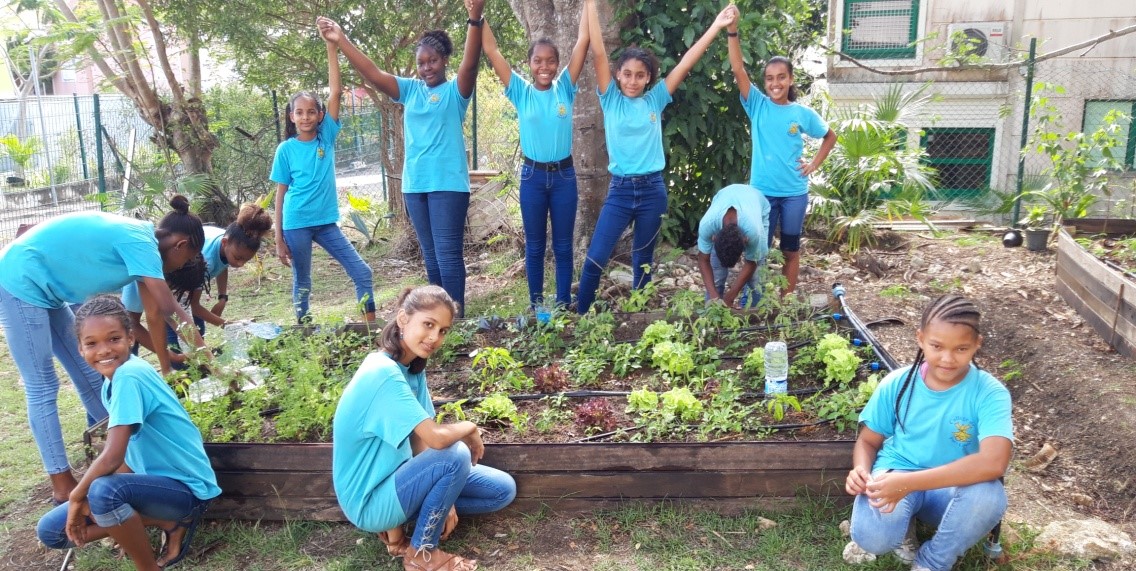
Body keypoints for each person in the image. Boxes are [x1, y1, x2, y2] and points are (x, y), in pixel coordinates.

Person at [0, 197, 205, 504]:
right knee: (42, 385)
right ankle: (61, 483)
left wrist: (166, 357)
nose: (183, 266)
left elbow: (151, 315)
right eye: (188, 259)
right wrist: (209, 359)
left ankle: (123, 457)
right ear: (181, 245)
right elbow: (168, 308)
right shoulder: (141, 243)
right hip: (19, 280)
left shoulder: (143, 247)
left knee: (90, 375)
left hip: (47, 289)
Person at [333, 285, 515, 571]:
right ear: (403, 319)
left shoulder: (411, 369)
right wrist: (470, 427)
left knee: (501, 490)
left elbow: (421, 444)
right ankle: (422, 553)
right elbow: (437, 439)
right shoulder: (382, 373)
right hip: (369, 501)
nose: (434, 337)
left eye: (443, 330)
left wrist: (446, 496)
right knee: (456, 453)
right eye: (428, 324)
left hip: (395, 483)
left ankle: (406, 527)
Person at [322, 1, 485, 316]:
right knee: (431, 256)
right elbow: (373, 73)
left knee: (448, 255)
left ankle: (456, 316)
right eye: (421, 62)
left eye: (433, 61)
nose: (427, 67)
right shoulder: (410, 90)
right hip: (415, 186)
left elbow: (470, 65)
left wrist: (474, 20)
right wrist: (341, 40)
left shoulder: (456, 91)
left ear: (444, 60)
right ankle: (438, 316)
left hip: (448, 186)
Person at [575, 1, 737, 314]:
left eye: (640, 75)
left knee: (644, 261)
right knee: (596, 256)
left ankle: (640, 318)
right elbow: (598, 52)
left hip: (652, 191)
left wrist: (716, 26)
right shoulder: (611, 99)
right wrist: (590, 4)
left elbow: (685, 64)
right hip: (620, 191)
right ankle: (582, 316)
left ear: (648, 78)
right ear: (618, 75)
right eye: (627, 74)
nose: (632, 81)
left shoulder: (655, 100)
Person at [36, 296, 220, 570]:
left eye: (114, 339)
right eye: (91, 343)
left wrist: (77, 497)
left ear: (130, 338)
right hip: (152, 487)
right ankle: (165, 521)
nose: (104, 350)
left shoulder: (130, 376)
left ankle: (148, 566)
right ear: (80, 349)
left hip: (187, 490)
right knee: (52, 531)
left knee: (103, 492)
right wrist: (99, 508)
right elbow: (126, 457)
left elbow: (112, 456)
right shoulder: (111, 382)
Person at [844, 294, 1012, 571]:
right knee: (873, 538)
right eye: (936, 346)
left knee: (989, 496)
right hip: (896, 472)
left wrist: (909, 484)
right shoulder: (897, 383)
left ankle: (933, 560)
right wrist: (861, 470)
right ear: (920, 339)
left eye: (961, 348)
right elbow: (868, 441)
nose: (947, 358)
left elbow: (994, 463)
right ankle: (903, 521)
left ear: (977, 345)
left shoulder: (989, 393)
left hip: (951, 490)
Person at [481, 1, 589, 309]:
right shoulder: (521, 91)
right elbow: (492, 50)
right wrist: (477, 15)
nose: (545, 66)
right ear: (529, 63)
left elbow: (583, 41)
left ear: (558, 64)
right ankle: (537, 305)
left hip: (564, 177)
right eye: (538, 60)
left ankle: (562, 303)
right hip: (533, 177)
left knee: (564, 245)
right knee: (536, 246)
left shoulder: (564, 88)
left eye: (551, 61)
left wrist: (590, 4)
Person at [726, 7, 836, 295]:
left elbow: (830, 136)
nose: (775, 83)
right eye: (770, 78)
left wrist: (813, 165)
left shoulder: (802, 113)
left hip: (794, 193)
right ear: (765, 82)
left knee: (790, 249)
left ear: (791, 79)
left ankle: (785, 301)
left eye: (781, 77)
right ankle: (754, 298)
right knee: (758, 249)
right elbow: (738, 69)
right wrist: (732, 31)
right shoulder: (757, 105)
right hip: (762, 193)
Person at [272, 27, 375, 324]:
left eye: (311, 112)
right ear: (292, 116)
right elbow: (280, 195)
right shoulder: (285, 150)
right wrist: (278, 238)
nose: (305, 117)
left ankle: (370, 328)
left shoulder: (326, 137)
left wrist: (332, 46)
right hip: (296, 223)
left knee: (362, 272)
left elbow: (336, 93)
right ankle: (305, 330)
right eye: (299, 112)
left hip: (326, 223)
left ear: (320, 115)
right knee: (303, 281)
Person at [123, 203, 274, 360]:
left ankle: (194, 359)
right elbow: (191, 307)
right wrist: (227, 324)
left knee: (193, 331)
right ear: (225, 243)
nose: (240, 264)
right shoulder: (203, 261)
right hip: (155, 281)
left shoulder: (233, 240)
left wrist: (222, 297)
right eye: (238, 258)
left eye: (245, 260)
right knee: (158, 332)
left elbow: (223, 263)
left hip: (169, 284)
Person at [696, 183, 770, 308]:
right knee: (717, 274)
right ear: (714, 238)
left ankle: (757, 312)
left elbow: (752, 262)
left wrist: (730, 296)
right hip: (724, 195)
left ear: (745, 240)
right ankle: (712, 311)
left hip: (756, 200)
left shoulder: (753, 231)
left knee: (756, 278)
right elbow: (703, 260)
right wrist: (714, 297)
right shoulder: (707, 225)